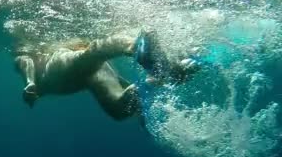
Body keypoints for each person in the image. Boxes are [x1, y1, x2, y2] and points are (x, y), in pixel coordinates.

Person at [13, 30, 199, 120]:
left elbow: (23, 60)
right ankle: (159, 77)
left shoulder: (39, 57)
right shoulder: (46, 55)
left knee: (92, 53)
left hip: (59, 72)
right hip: (84, 78)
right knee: (119, 109)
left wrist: (29, 82)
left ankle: (137, 47)